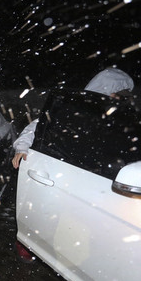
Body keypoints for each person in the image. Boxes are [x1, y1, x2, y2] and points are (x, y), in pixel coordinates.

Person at [11, 67, 134, 263]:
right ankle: (29, 248)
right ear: (105, 90)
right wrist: (22, 147)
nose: (116, 100)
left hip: (93, 180)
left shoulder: (119, 119)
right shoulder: (72, 108)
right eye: (115, 95)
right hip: (58, 170)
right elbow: (36, 125)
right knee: (45, 215)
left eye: (120, 98)